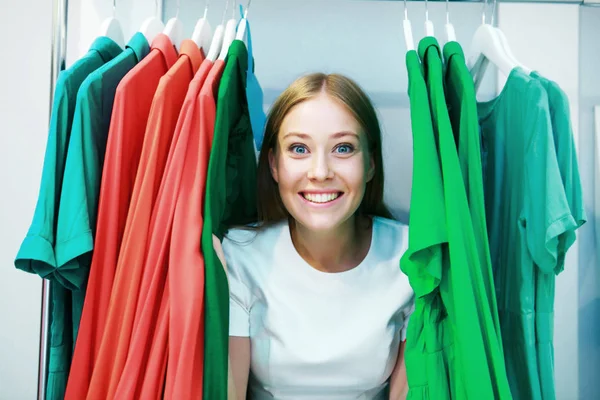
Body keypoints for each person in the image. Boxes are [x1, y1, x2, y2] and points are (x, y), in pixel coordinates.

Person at [215, 73, 414, 399]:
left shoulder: (408, 258)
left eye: (343, 148)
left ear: (371, 164)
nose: (320, 171)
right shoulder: (239, 254)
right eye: (299, 148)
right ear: (274, 165)